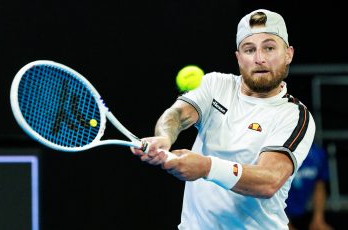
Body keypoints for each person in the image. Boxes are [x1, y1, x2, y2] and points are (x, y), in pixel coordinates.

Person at [131, 9, 316, 229]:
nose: (260, 59)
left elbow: (269, 181)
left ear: (288, 54)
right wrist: (164, 137)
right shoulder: (215, 85)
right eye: (249, 50)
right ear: (238, 58)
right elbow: (177, 114)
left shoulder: (294, 115)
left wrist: (207, 167)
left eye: (269, 47)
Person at [286, 143, 334, 230]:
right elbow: (271, 190)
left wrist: (318, 218)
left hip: (303, 213)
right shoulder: (280, 153)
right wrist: (285, 224)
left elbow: (319, 186)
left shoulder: (317, 153)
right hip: (274, 214)